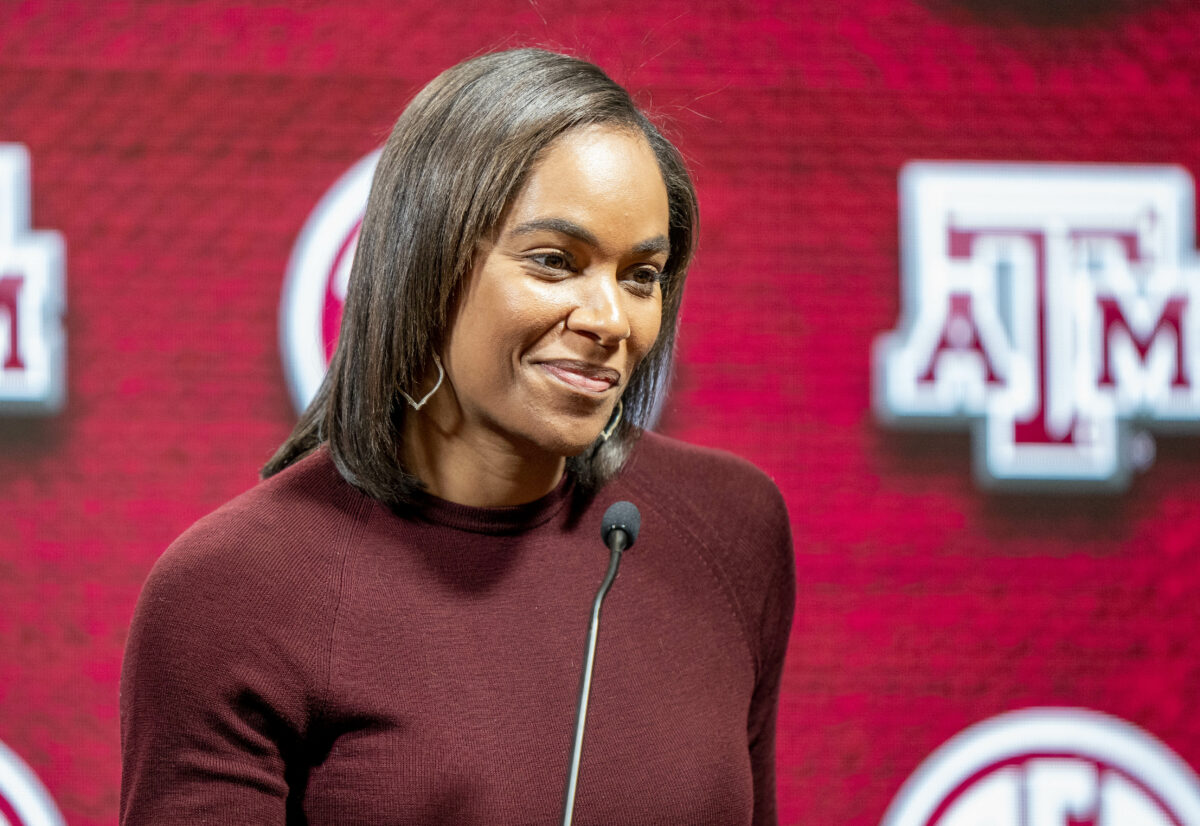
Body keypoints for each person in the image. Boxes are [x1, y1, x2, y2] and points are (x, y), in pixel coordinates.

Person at [120, 48, 795, 825]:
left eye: (641, 275)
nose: (611, 320)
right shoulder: (234, 592)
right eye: (554, 262)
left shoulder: (729, 528)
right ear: (428, 265)